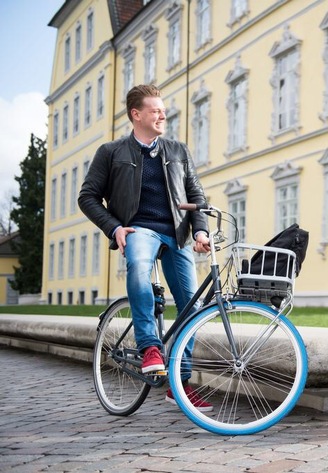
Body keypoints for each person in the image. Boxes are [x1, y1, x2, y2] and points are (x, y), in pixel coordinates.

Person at [78, 84, 213, 412]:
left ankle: (179, 384)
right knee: (138, 266)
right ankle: (150, 347)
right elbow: (87, 197)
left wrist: (201, 232)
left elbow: (196, 197)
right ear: (136, 115)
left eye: (163, 110)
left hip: (177, 235)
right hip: (139, 229)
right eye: (155, 110)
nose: (162, 115)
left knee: (191, 307)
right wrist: (114, 227)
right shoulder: (111, 152)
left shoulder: (177, 150)